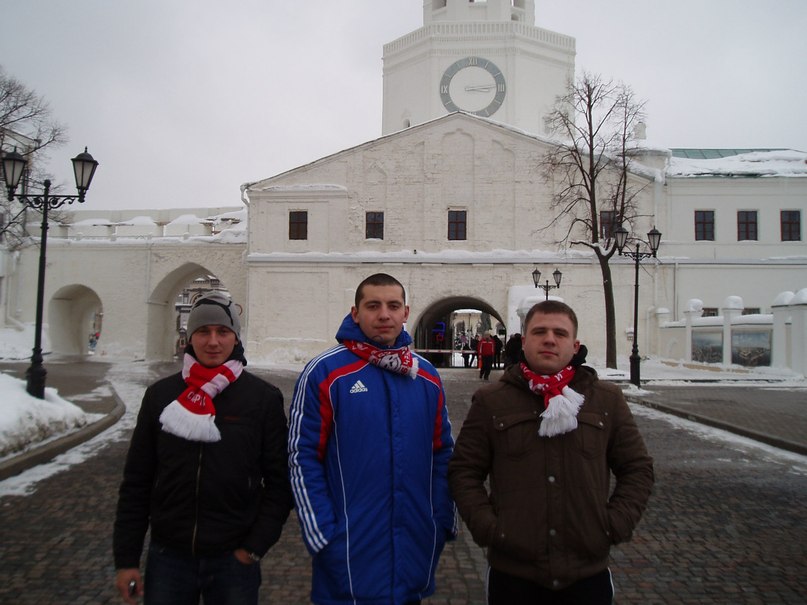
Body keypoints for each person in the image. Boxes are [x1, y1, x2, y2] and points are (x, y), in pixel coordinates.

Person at [448, 300, 654, 605]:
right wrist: (490, 529)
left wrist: (613, 524)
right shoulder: (492, 401)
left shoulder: (605, 400)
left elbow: (637, 468)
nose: (549, 339)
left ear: (575, 345)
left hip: (587, 574)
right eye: (539, 331)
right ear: (524, 339)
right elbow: (464, 471)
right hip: (513, 576)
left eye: (560, 333)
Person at [113, 292, 294, 605]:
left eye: (222, 332)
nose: (213, 342)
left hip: (233, 558)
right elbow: (138, 481)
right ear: (189, 338)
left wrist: (253, 547)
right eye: (203, 332)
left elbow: (280, 481)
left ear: (235, 338)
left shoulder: (261, 399)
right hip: (169, 555)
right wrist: (126, 559)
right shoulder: (161, 395)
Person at [288, 273, 457, 605]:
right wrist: (323, 533)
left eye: (393, 306)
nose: (384, 315)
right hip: (348, 553)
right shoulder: (326, 373)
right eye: (373, 306)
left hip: (412, 552)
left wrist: (438, 520)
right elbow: (301, 456)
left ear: (406, 312)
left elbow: (442, 453)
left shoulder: (426, 376)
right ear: (355, 313)